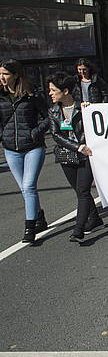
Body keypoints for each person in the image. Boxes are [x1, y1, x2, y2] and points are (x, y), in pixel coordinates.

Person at [46, 72, 103, 243]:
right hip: (67, 154)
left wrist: (90, 110)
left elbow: (97, 127)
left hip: (86, 155)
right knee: (79, 191)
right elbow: (55, 135)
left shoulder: (84, 108)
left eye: (53, 90)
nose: (50, 93)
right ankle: (95, 219)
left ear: (65, 91)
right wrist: (77, 147)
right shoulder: (53, 111)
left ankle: (78, 229)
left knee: (83, 190)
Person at [0, 59, 49, 243]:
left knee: (28, 187)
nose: (2, 77)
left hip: (33, 147)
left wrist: (36, 132)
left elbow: (49, 117)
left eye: (5, 74)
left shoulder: (32, 95)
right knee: (24, 189)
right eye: (0, 74)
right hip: (11, 149)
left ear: (15, 75)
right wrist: (3, 136)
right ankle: (40, 217)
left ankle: (30, 228)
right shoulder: (1, 96)